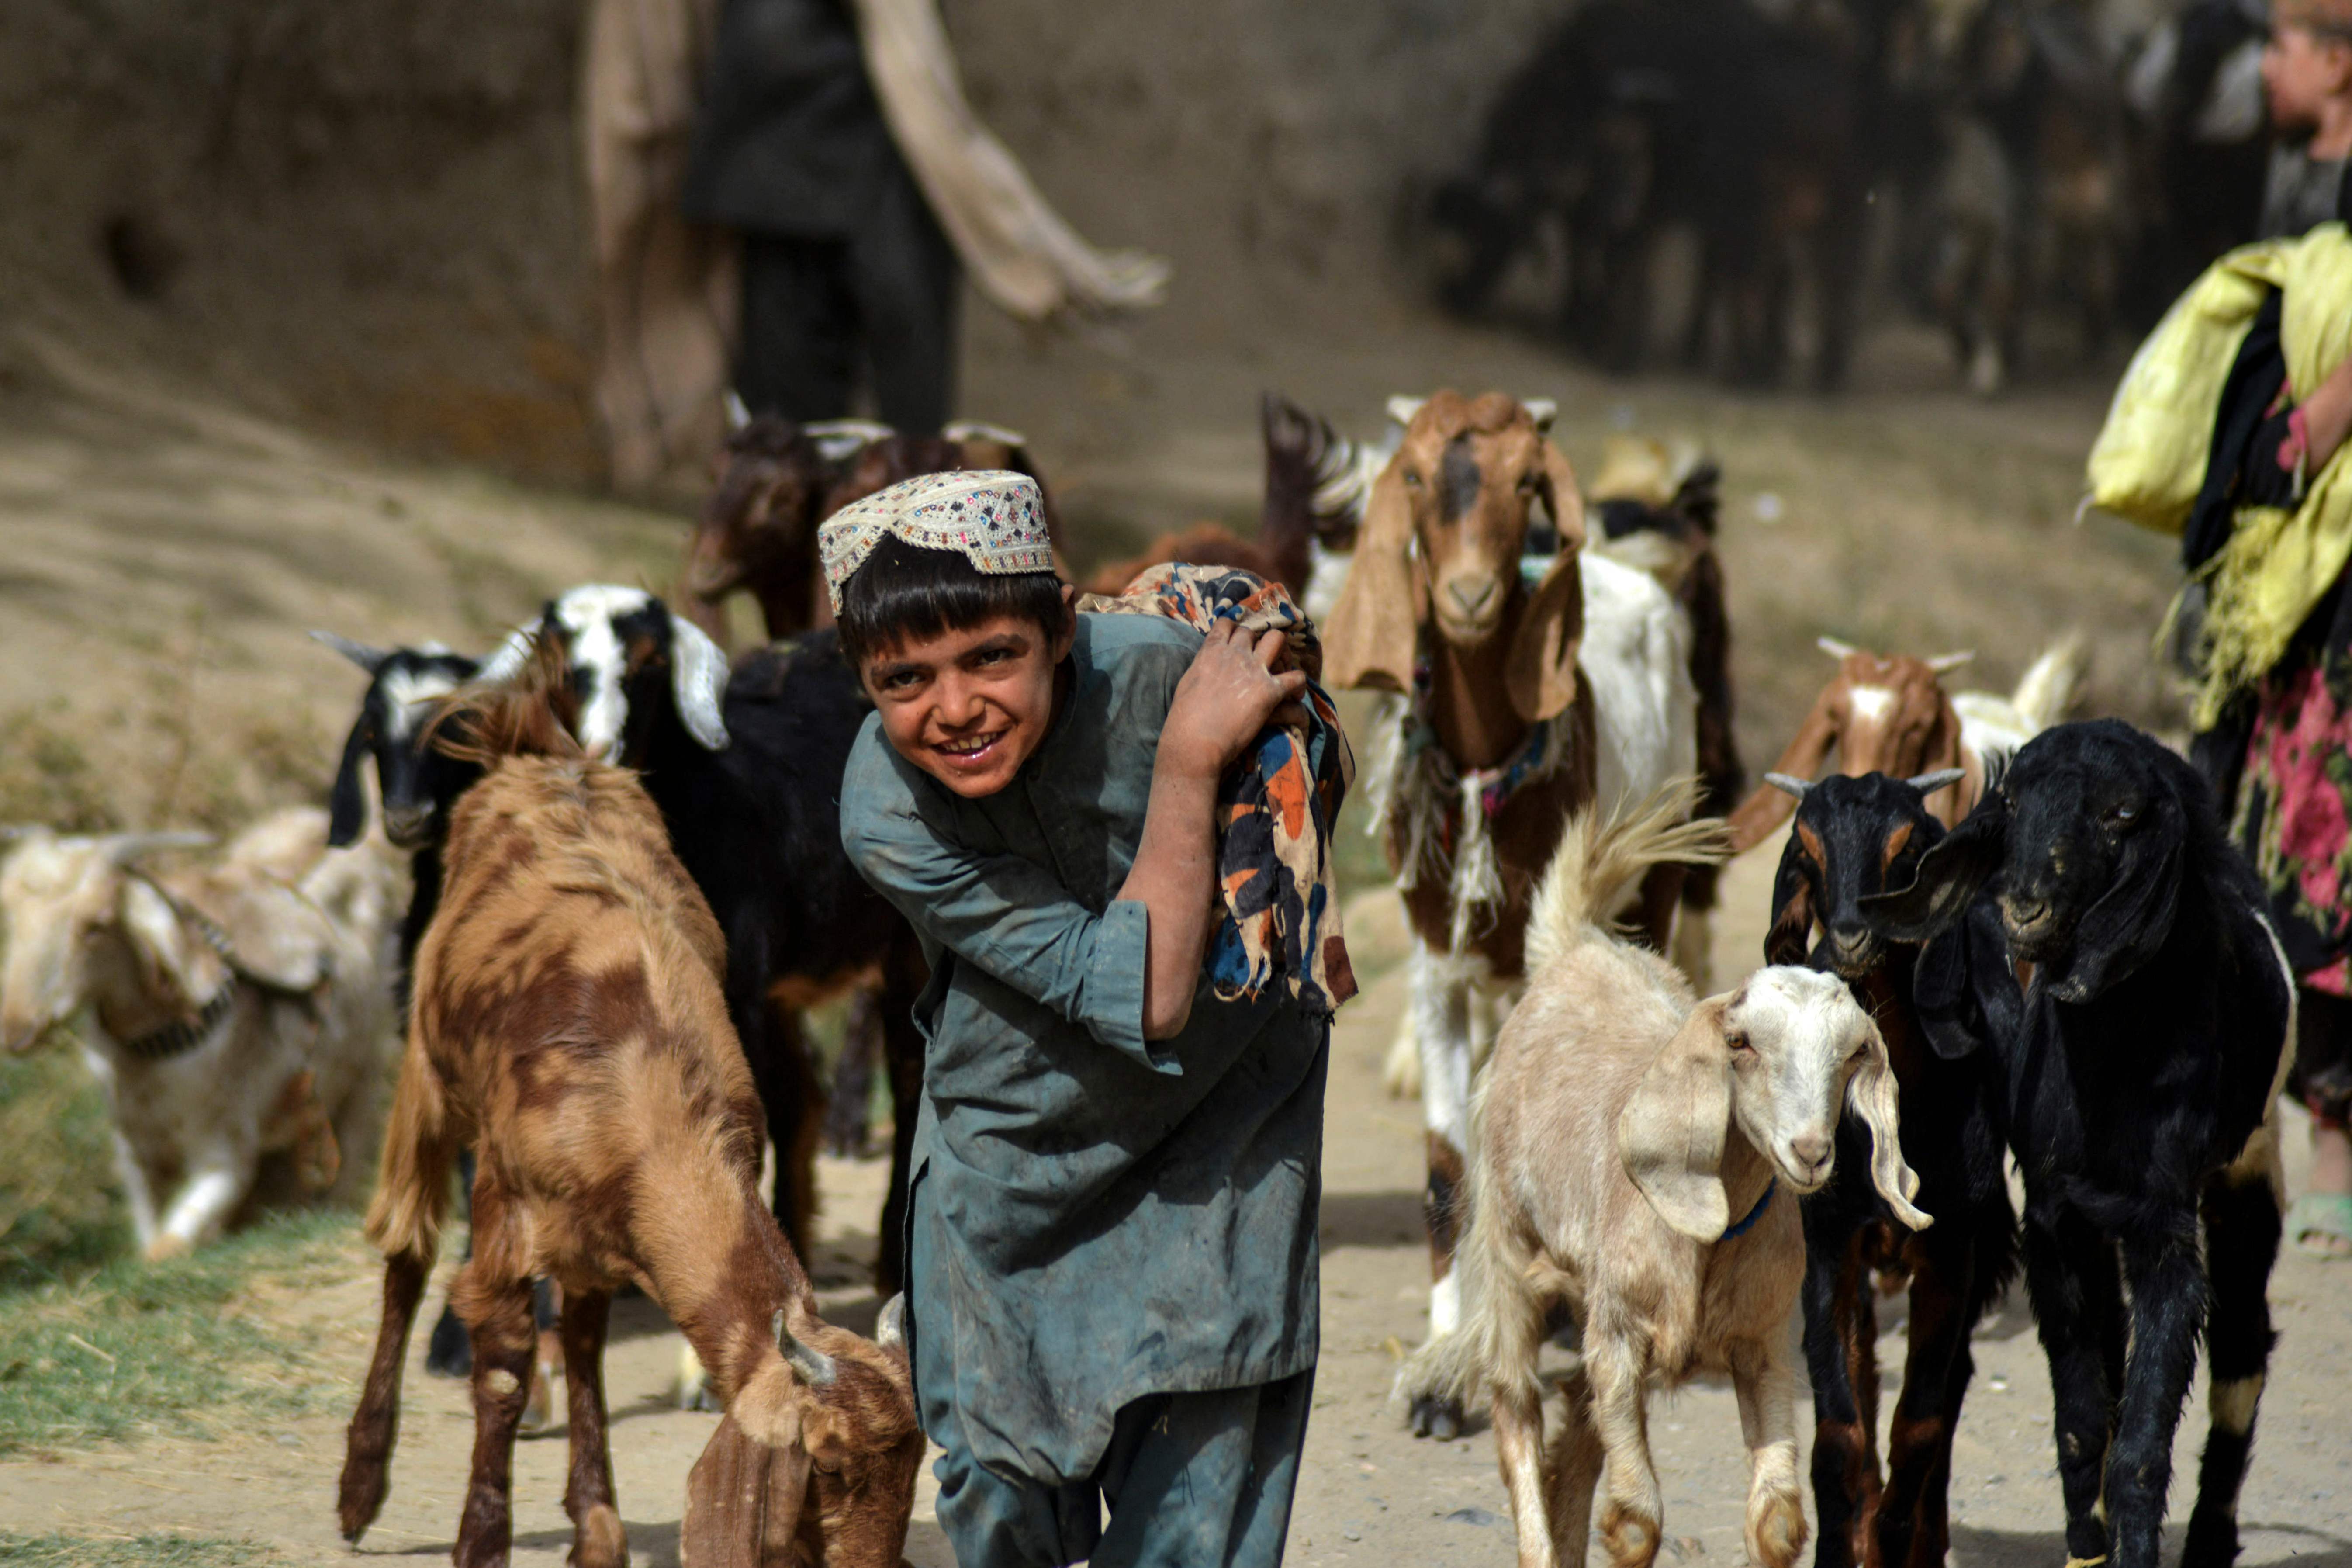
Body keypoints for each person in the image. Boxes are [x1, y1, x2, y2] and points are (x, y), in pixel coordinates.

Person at [825, 471, 1343, 1565]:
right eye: (904, 678)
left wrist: (1207, 741)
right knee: (999, 1500)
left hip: (1220, 1142)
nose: (954, 706)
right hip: (1009, 1162)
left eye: (992, 656)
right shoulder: (883, 805)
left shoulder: (1172, 679)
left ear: (1060, 625)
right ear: (862, 683)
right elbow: (1145, 986)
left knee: (1191, 1530)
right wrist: (1189, 762)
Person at [682, 0, 958, 432]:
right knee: (787, 417)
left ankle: (911, 488)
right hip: (774, 159)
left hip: (887, 141)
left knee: (911, 399)